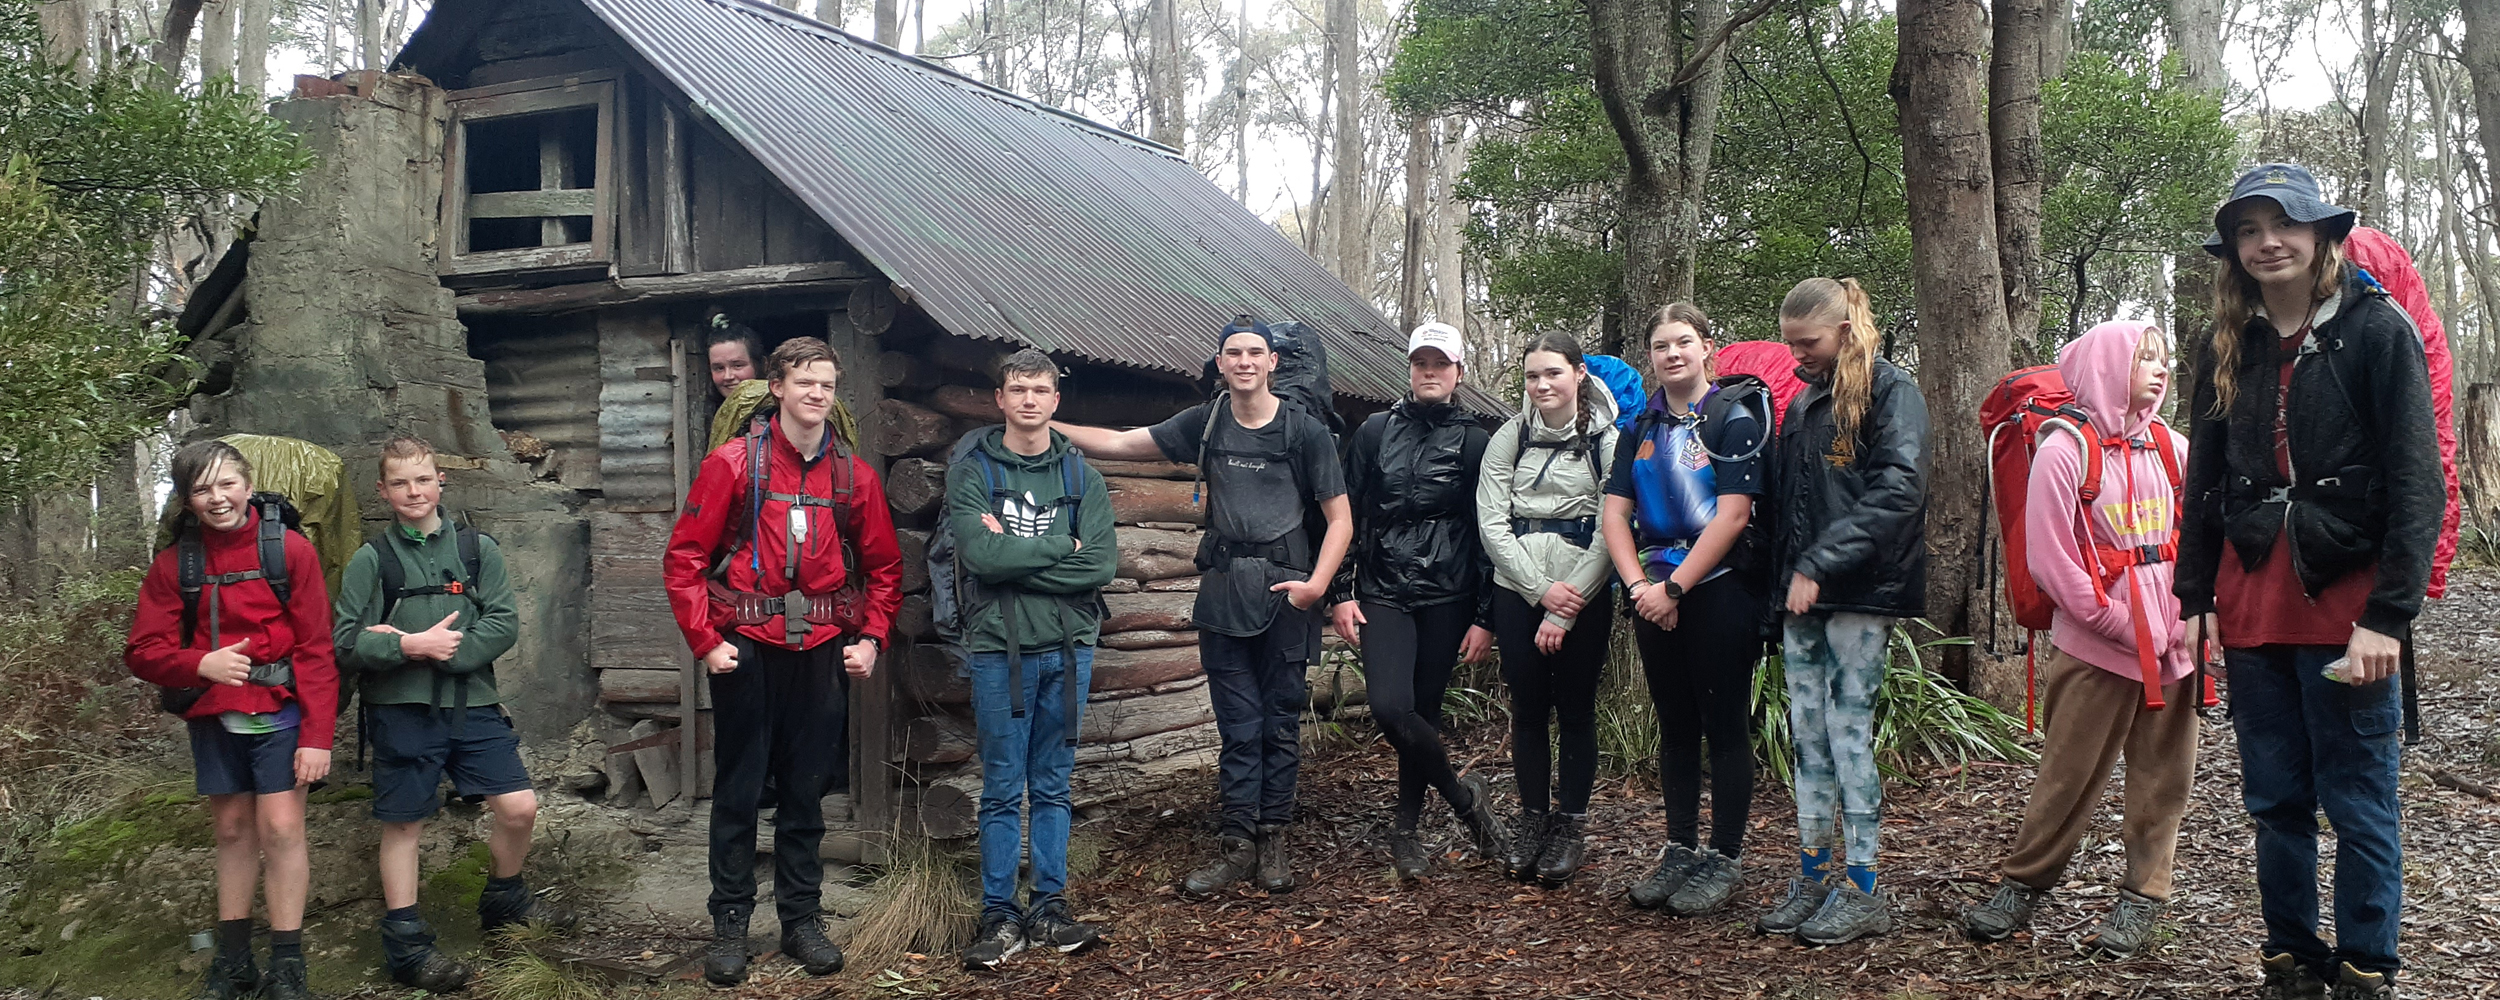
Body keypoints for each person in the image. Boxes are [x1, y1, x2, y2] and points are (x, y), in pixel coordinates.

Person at [2176, 164, 2440, 1000]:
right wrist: (2194, 597)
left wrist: (2387, 617)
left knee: (2359, 802)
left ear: (2324, 235)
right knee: (2274, 799)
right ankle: (2289, 959)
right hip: (2252, 608)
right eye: (2248, 231)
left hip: (2348, 612)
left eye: (2282, 225)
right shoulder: (2224, 341)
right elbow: (2204, 482)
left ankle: (2367, 966)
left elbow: (2415, 483)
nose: (2267, 243)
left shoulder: (2376, 330)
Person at [1053, 316, 1352, 899]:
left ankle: (1274, 837)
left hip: (1289, 590)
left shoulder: (1304, 431)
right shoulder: (1206, 421)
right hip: (1222, 591)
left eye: (1254, 352)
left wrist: (1317, 586)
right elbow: (1122, 443)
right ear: (1220, 364)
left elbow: (1339, 518)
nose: (1244, 361)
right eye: (1233, 353)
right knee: (1239, 726)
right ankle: (1237, 843)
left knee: (1280, 723)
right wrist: (1042, 420)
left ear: (1272, 363)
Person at [663, 337, 905, 986]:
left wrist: (871, 638)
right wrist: (704, 641)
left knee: (806, 789)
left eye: (826, 384)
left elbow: (884, 567)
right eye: (804, 383)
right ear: (776, 389)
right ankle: (731, 926)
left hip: (822, 649)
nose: (816, 394)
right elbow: (684, 559)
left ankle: (801, 920)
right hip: (744, 646)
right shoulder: (732, 465)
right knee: (740, 788)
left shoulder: (854, 476)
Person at [1961, 321, 2199, 959]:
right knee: (2067, 776)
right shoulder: (2064, 448)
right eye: (2141, 358)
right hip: (2097, 645)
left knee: (2163, 778)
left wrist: (2190, 623)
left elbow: (2204, 542)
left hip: (2175, 647)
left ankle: (2144, 896)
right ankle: (2024, 883)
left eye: (2161, 359)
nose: (2158, 369)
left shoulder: (2175, 448)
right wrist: (2114, 624)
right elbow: (2051, 558)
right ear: (2104, 365)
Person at [332, 435, 570, 991]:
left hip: (475, 704)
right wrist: (409, 647)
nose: (413, 491)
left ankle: (505, 901)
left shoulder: (475, 549)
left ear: (442, 481)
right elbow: (344, 640)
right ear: (383, 491)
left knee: (518, 806)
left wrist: (451, 649)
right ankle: (408, 944)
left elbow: (503, 621)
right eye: (400, 482)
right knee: (405, 824)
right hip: (401, 710)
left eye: (422, 479)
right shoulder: (374, 560)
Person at [125, 440, 338, 1000]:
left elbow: (317, 649)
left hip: (281, 711)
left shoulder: (290, 551)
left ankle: (288, 966)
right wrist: (200, 663)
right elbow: (142, 650)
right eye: (202, 488)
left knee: (284, 829)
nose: (217, 498)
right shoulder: (178, 563)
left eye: (226, 484)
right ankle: (235, 961)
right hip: (214, 715)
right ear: (187, 498)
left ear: (247, 484)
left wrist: (318, 736)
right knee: (232, 831)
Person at [1759, 277, 1929, 945]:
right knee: (1808, 736)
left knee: (1848, 733)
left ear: (1845, 331)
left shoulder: (1891, 392)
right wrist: (1776, 590)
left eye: (1809, 343)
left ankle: (1863, 888)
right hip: (1803, 597)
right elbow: (1786, 505)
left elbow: (1900, 489)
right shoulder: (1803, 403)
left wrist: (1819, 564)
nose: (1797, 355)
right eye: (1790, 344)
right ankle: (1812, 876)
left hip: (1860, 593)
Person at [951, 350, 1119, 971]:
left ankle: (1049, 907)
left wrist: (1018, 556)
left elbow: (1100, 564)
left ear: (1055, 400)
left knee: (1052, 784)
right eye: (1017, 389)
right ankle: (999, 914)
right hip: (1000, 650)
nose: (1028, 400)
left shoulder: (1082, 479)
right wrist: (1059, 548)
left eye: (1040, 390)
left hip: (1070, 649)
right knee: (1001, 787)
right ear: (999, 398)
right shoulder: (973, 472)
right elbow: (980, 559)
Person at [1599, 303, 1770, 916]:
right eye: (1660, 345)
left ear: (1706, 347)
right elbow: (1615, 513)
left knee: (1723, 724)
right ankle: (1679, 847)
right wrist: (1641, 585)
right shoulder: (1638, 427)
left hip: (1720, 588)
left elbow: (1734, 515)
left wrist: (1675, 590)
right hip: (1651, 587)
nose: (1672, 354)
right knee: (1675, 724)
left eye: (1683, 342)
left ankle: (1724, 856)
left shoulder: (1732, 418)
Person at [1328, 322, 1507, 881]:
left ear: (1458, 372)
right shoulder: (1376, 432)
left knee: (1423, 712)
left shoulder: (1477, 441)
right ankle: (1461, 798)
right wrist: (1338, 591)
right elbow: (1345, 512)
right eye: (1421, 363)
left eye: (1441, 363)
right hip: (1382, 589)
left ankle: (1405, 830)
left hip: (1447, 594)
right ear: (1410, 369)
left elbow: (1487, 532)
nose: (1430, 372)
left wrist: (1484, 615)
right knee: (1389, 706)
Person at [1476, 331, 1620, 888]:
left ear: (1578, 374)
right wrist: (1539, 593)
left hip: (1583, 586)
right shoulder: (1508, 438)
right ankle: (1533, 821)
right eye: (1533, 376)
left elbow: (1613, 526)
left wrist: (1567, 605)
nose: (1541, 385)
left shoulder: (1608, 439)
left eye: (1553, 374)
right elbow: (1492, 522)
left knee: (1576, 709)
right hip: (1518, 587)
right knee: (1529, 709)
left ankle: (1571, 827)